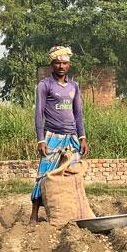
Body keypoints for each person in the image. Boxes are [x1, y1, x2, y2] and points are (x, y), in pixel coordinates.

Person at [31, 45, 90, 224]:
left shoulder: (74, 86)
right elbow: (39, 114)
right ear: (52, 64)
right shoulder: (44, 85)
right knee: (44, 174)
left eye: (64, 63)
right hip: (51, 137)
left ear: (69, 65)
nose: (61, 66)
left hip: (71, 137)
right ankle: (34, 214)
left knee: (71, 174)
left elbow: (78, 114)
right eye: (57, 63)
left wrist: (83, 137)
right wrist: (41, 139)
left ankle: (71, 212)